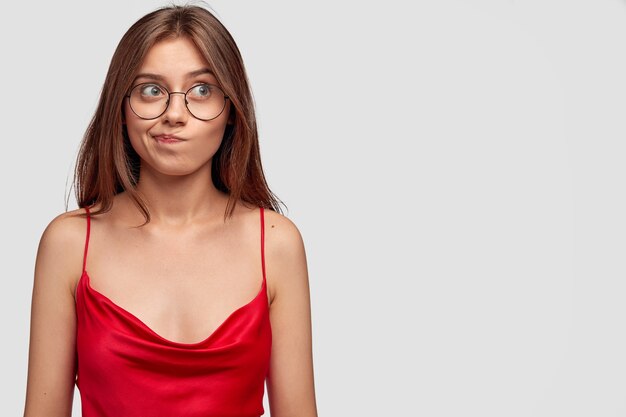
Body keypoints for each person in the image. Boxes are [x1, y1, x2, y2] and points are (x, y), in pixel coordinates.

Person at [23, 4, 318, 417]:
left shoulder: (276, 244)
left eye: (201, 90)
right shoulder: (70, 244)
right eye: (151, 90)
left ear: (231, 110)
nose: (174, 115)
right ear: (121, 108)